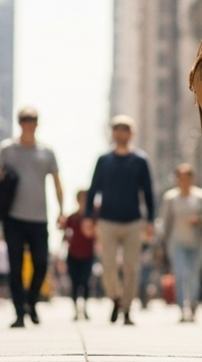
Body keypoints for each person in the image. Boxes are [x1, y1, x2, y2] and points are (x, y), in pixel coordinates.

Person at [0, 106, 64, 328]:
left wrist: (62, 211)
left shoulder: (47, 152)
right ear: (19, 123)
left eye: (32, 119)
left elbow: (56, 183)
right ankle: (18, 313)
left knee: (41, 264)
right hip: (13, 218)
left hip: (39, 218)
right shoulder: (7, 150)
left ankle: (31, 302)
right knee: (14, 267)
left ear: (37, 123)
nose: (28, 123)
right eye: (24, 119)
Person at [81, 114, 156, 325]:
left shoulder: (140, 160)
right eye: (117, 129)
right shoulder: (103, 160)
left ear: (132, 133)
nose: (121, 132)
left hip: (133, 222)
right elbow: (93, 189)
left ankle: (127, 309)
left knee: (132, 268)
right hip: (107, 221)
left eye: (125, 129)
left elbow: (148, 192)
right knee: (108, 267)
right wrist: (88, 218)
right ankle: (116, 299)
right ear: (112, 133)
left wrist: (150, 220)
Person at [158, 164, 202, 323]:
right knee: (181, 275)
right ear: (177, 179)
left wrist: (200, 219)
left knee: (194, 276)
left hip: (198, 243)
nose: (184, 181)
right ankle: (182, 309)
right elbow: (165, 222)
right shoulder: (170, 198)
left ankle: (194, 304)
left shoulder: (201, 197)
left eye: (188, 177)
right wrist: (161, 243)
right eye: (181, 177)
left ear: (192, 178)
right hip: (177, 243)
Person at [64, 190, 96, 320]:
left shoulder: (92, 217)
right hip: (73, 254)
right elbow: (64, 232)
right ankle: (76, 310)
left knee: (85, 282)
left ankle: (85, 309)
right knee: (75, 283)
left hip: (88, 254)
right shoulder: (72, 217)